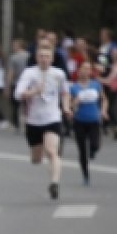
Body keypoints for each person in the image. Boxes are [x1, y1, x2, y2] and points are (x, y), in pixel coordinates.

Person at [14, 43, 71, 200]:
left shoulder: (59, 74)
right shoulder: (29, 73)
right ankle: (44, 163)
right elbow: (17, 94)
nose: (44, 59)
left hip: (53, 118)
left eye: (47, 56)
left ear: (52, 58)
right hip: (33, 121)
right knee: (36, 159)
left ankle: (54, 183)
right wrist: (33, 92)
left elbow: (65, 93)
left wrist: (66, 107)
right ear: (36, 58)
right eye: (41, 56)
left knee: (52, 151)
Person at [69, 61, 108, 186]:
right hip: (79, 120)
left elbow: (104, 99)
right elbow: (69, 105)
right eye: (83, 69)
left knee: (95, 144)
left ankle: (93, 150)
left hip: (94, 120)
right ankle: (85, 175)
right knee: (82, 151)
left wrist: (103, 111)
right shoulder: (73, 87)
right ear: (78, 71)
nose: (86, 71)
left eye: (88, 69)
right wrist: (75, 102)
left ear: (91, 72)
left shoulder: (96, 85)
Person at [98, 46, 117, 140]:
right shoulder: (107, 63)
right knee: (105, 106)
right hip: (105, 88)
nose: (115, 55)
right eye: (113, 53)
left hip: (115, 88)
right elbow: (102, 72)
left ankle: (116, 126)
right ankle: (105, 126)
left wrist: (99, 79)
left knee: (113, 107)